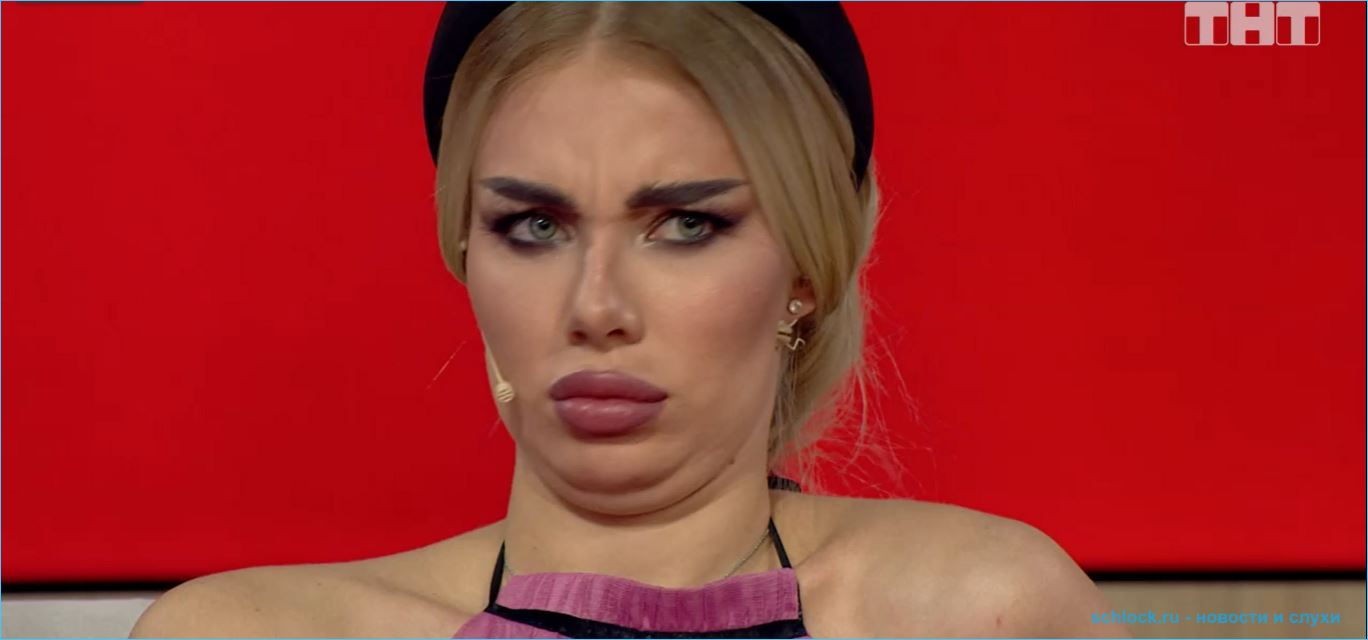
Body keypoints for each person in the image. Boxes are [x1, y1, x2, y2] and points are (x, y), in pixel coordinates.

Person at [132, 2, 1124, 637]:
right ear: (465, 248)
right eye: (534, 225)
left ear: (806, 266)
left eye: (687, 224)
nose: (596, 308)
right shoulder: (243, 632)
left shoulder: (978, 609)